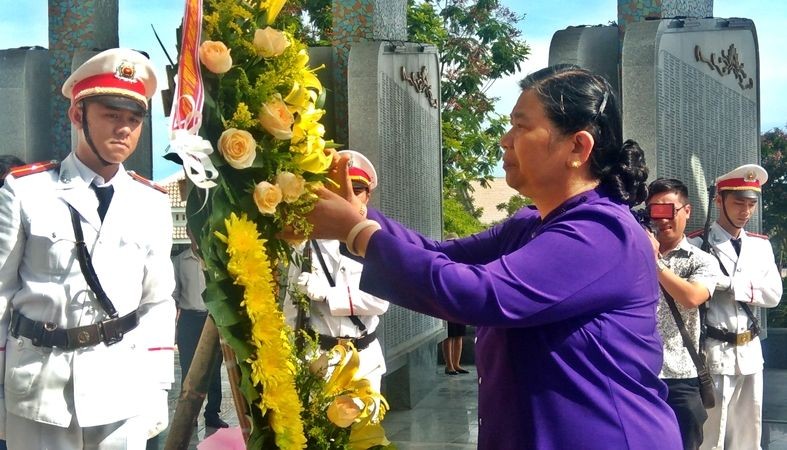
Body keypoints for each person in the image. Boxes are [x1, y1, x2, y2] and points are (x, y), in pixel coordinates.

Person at [302, 65, 682, 449]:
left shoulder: (602, 233)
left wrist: (355, 232)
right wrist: (360, 216)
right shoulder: (531, 224)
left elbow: (479, 293)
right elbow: (439, 255)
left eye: (521, 126)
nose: (505, 140)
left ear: (577, 147)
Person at [0, 48, 176, 449]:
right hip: (40, 388)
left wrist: (157, 388)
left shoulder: (150, 202)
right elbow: (2, 295)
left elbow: (157, 302)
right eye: (111, 116)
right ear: (77, 115)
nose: (124, 130)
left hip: (122, 385)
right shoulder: (27, 191)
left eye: (133, 120)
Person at [687, 164, 783, 450]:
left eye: (751, 204)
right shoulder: (698, 243)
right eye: (738, 202)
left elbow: (774, 295)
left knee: (748, 437)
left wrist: (730, 285)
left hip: (751, 353)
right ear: (719, 201)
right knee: (711, 437)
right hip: (715, 352)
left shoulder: (760, 246)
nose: (746, 211)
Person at [288, 150, 389, 391]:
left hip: (364, 359)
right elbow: (291, 304)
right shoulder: (306, 243)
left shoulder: (376, 242)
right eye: (338, 190)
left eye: (356, 190)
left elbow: (381, 301)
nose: (347, 197)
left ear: (367, 196)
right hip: (318, 358)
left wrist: (328, 294)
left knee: (365, 428)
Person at [646, 178, 721, 450]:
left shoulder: (700, 260)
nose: (662, 220)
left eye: (669, 211)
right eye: (655, 211)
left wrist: (653, 261)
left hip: (680, 377)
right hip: (638, 374)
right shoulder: (630, 252)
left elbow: (691, 298)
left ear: (687, 211)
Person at [172, 231, 228, 429]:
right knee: (188, 369)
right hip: (189, 319)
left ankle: (212, 414)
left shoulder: (214, 258)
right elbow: (175, 295)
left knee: (213, 369)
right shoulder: (180, 261)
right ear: (188, 233)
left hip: (211, 318)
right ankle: (189, 416)